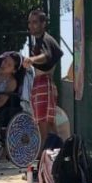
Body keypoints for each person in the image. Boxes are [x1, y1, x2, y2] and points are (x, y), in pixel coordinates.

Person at [24, 9, 63, 152]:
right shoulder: (40, 41)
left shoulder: (45, 39)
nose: (31, 25)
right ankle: (57, 155)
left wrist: (32, 59)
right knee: (48, 123)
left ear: (43, 23)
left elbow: (46, 56)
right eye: (30, 22)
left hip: (44, 83)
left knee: (43, 124)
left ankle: (43, 157)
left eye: (35, 22)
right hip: (41, 83)